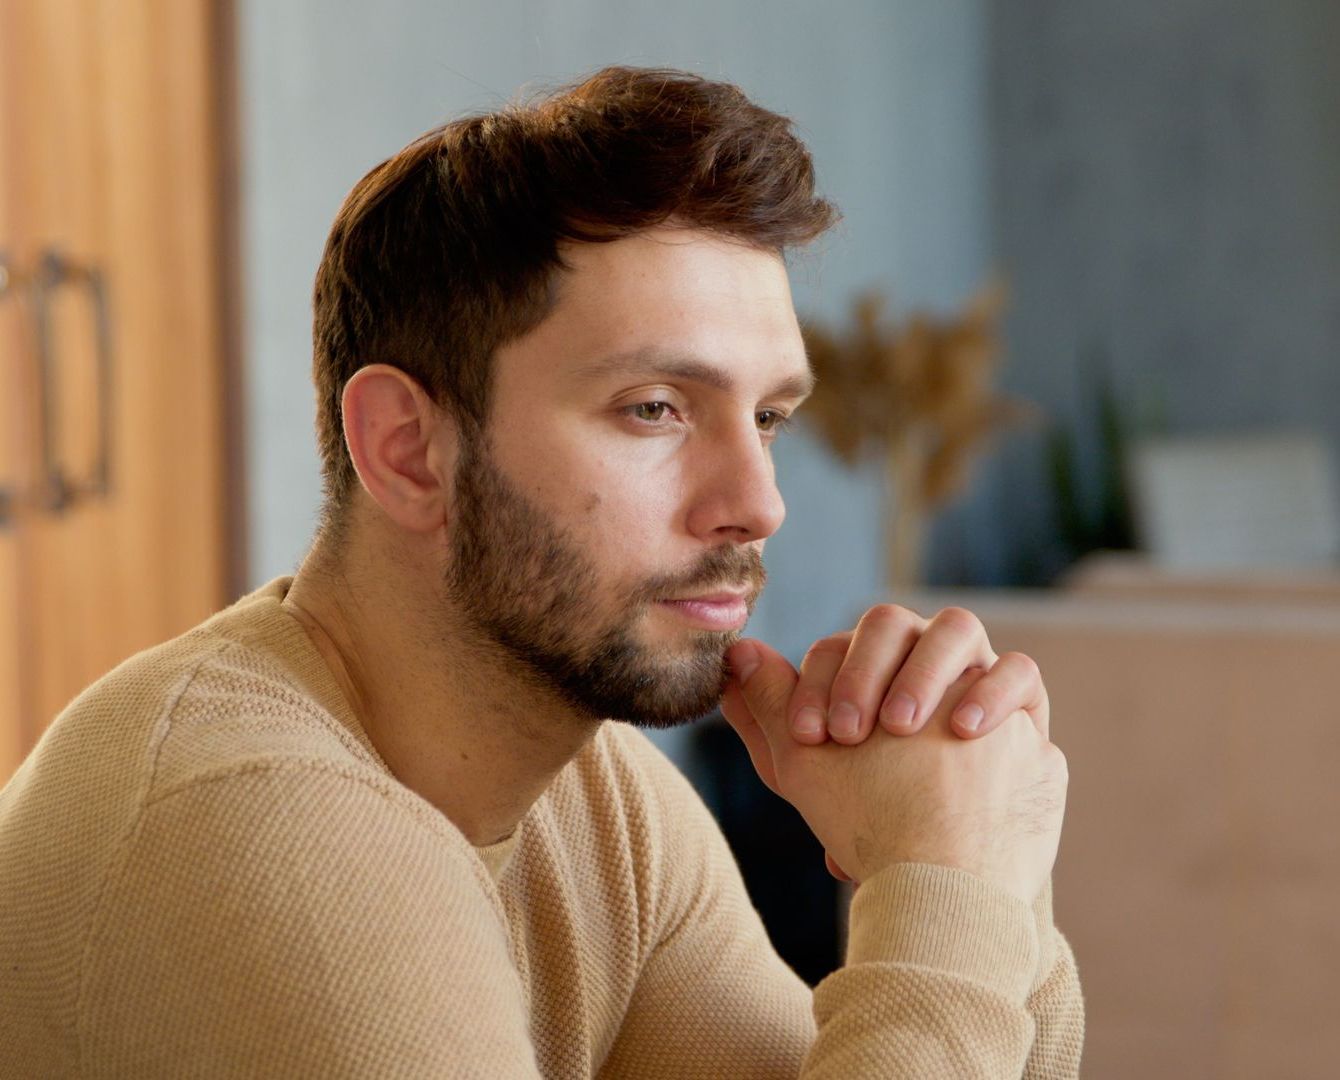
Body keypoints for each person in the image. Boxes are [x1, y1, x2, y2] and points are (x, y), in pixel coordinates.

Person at [0, 67, 1082, 1076]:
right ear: (407, 450)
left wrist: (988, 860)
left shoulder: (595, 797)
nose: (758, 502)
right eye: (654, 408)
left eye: (767, 418)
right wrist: (938, 892)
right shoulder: (249, 825)